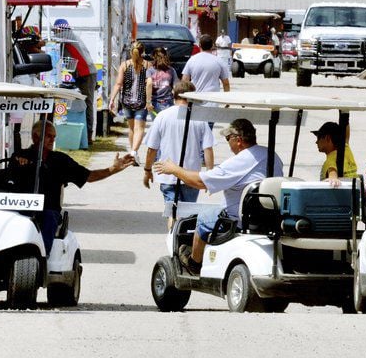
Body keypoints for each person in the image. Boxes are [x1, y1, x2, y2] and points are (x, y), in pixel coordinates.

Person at [153, 118, 283, 275]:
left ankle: (194, 262)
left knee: (203, 218)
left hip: (239, 218)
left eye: (228, 139)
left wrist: (174, 169)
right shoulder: (271, 155)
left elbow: (200, 182)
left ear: (239, 140)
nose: (228, 144)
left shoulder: (239, 161)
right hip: (268, 216)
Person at [16, 121, 134, 255]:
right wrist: (20, 165)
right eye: (49, 136)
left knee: (48, 218)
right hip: (22, 207)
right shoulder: (20, 155)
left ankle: (41, 258)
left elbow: (89, 176)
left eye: (54, 137)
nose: (53, 140)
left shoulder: (60, 160)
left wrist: (113, 169)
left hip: (48, 210)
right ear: (36, 137)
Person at [143, 81, 215, 230]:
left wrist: (147, 170)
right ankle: (183, 244)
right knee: (188, 215)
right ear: (192, 97)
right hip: (191, 176)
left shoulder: (162, 116)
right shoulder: (199, 119)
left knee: (173, 212)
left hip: (167, 174)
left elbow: (152, 148)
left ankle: (172, 240)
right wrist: (209, 174)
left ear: (173, 95)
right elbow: (208, 149)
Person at [54, 19, 99, 145]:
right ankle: (84, 132)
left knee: (87, 102)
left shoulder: (67, 36)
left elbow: (53, 39)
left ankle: (89, 134)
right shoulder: (70, 38)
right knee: (84, 102)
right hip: (82, 73)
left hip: (87, 73)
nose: (55, 32)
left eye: (56, 30)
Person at [109, 41, 149, 164]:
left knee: (132, 128)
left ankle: (133, 153)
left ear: (130, 52)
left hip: (126, 101)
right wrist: (150, 100)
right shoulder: (147, 65)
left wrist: (112, 99)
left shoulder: (125, 65)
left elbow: (118, 84)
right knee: (139, 128)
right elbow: (150, 84)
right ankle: (134, 152)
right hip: (141, 102)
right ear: (143, 52)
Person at [312, 121, 357, 187]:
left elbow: (332, 171)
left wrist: (333, 178)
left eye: (319, 138)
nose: (316, 142)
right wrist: (345, 116)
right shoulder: (346, 149)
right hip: (354, 190)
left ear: (327, 138)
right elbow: (346, 135)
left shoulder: (331, 160)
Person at [145, 47, 178, 115]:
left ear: (154, 57)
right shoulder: (171, 70)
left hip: (154, 103)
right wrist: (176, 100)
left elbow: (149, 84)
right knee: (167, 124)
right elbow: (175, 86)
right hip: (168, 102)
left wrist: (148, 102)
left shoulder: (150, 71)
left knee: (157, 124)